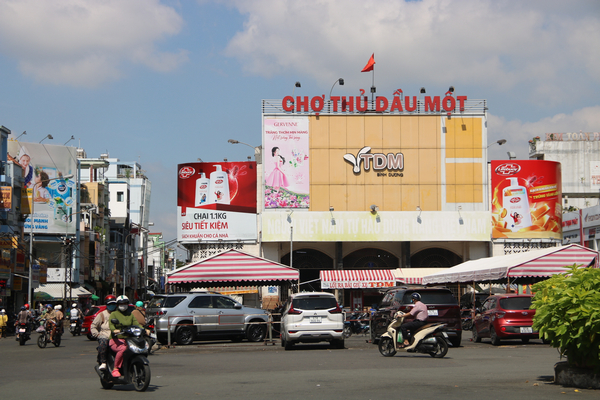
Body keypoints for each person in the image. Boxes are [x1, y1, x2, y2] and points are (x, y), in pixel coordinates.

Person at [109, 295, 141, 378]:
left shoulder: (130, 315)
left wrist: (144, 330)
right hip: (116, 339)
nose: (123, 305)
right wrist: (115, 330)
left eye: (125, 303)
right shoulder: (114, 314)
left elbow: (137, 324)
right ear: (117, 305)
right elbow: (111, 325)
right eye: (121, 303)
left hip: (129, 339)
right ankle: (115, 368)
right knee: (123, 349)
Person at [91, 295, 117, 371]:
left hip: (117, 336)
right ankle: (103, 362)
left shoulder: (118, 314)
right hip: (105, 335)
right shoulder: (102, 314)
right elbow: (93, 326)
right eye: (110, 304)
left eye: (113, 304)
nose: (112, 306)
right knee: (103, 343)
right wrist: (97, 334)